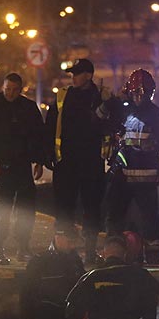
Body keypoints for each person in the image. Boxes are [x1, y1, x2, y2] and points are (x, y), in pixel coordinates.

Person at [45, 58, 115, 265]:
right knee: (63, 206)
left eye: (77, 73)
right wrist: (48, 153)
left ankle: (90, 250)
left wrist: (109, 102)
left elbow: (112, 123)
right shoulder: (64, 96)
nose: (73, 77)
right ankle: (61, 248)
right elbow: (51, 125)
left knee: (91, 207)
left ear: (88, 75)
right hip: (66, 163)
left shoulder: (100, 97)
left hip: (91, 163)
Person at [0, 73, 45, 264]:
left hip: (23, 167)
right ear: (2, 87)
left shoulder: (28, 108)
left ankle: (23, 247)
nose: (11, 94)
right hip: (1, 168)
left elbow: (39, 136)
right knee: (2, 211)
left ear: (21, 89)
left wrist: (39, 161)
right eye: (7, 89)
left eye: (15, 90)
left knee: (26, 210)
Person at [105, 68, 159, 264]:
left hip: (145, 177)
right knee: (114, 215)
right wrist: (114, 99)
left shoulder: (156, 116)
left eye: (143, 94)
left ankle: (152, 256)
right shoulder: (122, 110)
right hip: (122, 175)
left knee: (150, 218)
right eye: (135, 93)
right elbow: (100, 117)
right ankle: (113, 254)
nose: (139, 98)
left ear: (150, 93)